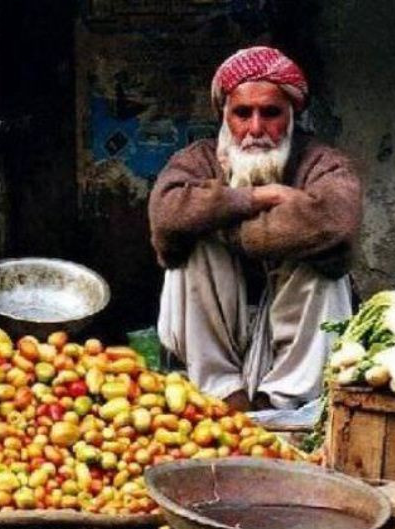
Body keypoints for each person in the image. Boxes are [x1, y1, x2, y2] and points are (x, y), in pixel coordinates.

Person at [148, 46, 362, 416]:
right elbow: (167, 216)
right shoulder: (197, 160)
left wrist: (220, 221)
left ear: (291, 116)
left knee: (321, 263)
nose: (256, 128)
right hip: (221, 327)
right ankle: (224, 396)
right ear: (225, 117)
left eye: (271, 113)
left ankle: (278, 403)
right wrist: (259, 197)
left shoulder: (323, 163)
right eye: (243, 114)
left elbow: (336, 226)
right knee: (192, 248)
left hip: (293, 334)